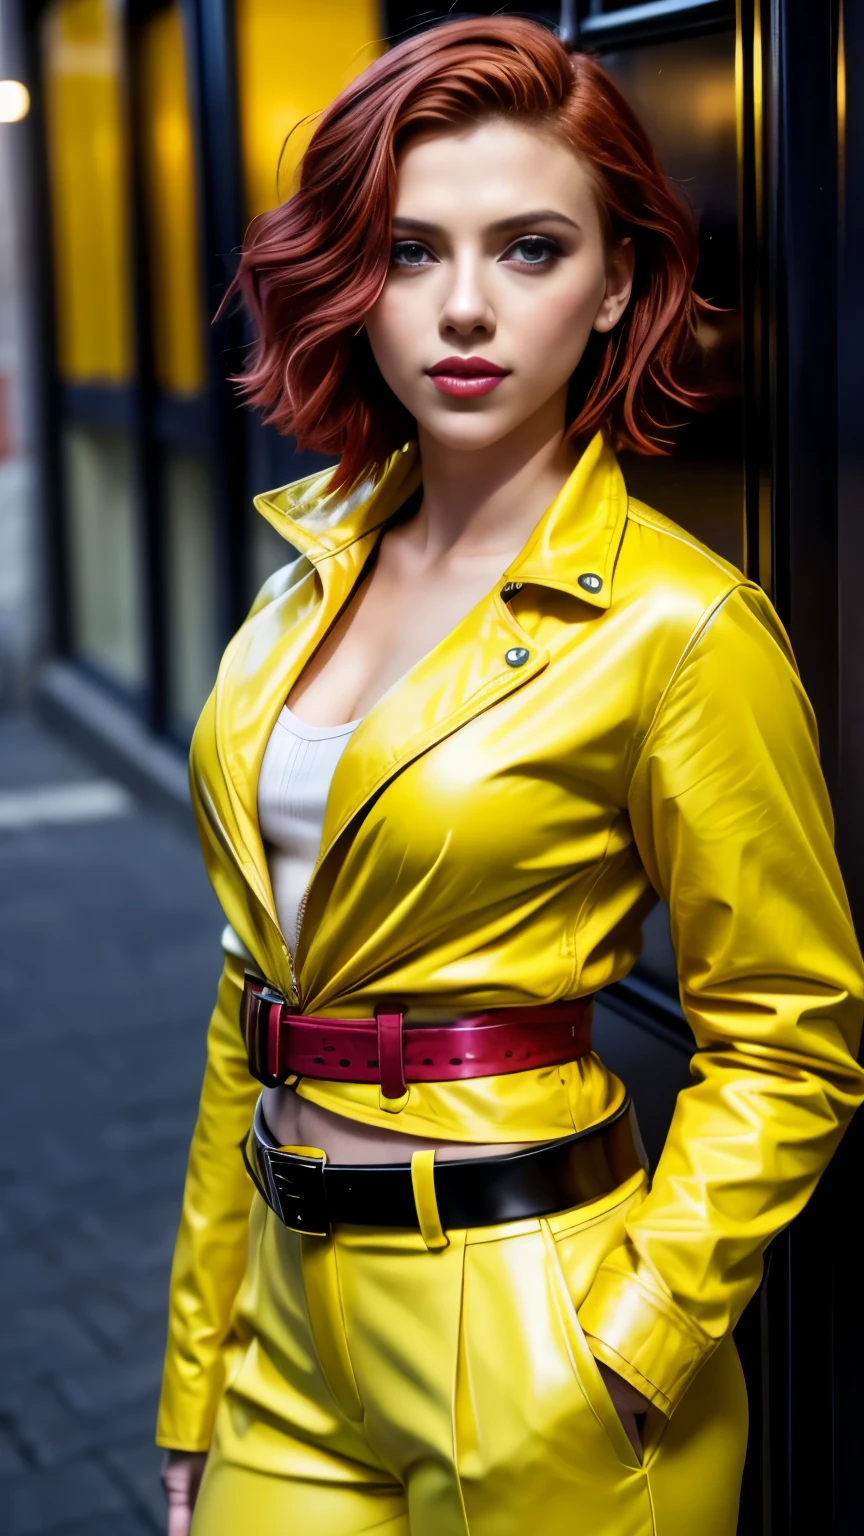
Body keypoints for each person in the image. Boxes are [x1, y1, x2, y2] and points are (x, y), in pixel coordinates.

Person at [156, 17, 864, 1536]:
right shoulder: (301, 583)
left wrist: (634, 1341)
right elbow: (252, 999)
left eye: (529, 249)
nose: (463, 309)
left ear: (616, 286)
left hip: (536, 1322)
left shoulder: (683, 627)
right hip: (287, 1325)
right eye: (411, 252)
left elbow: (791, 1038)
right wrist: (196, 1370)